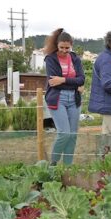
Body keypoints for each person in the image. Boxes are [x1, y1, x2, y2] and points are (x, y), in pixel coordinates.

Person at [43, 28, 85, 165]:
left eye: (67, 47)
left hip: (74, 99)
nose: (64, 50)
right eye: (62, 47)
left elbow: (82, 79)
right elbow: (54, 83)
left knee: (72, 136)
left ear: (71, 45)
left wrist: (62, 80)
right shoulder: (50, 59)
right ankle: (53, 164)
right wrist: (73, 83)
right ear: (57, 45)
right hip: (58, 99)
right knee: (64, 133)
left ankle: (68, 168)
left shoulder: (75, 58)